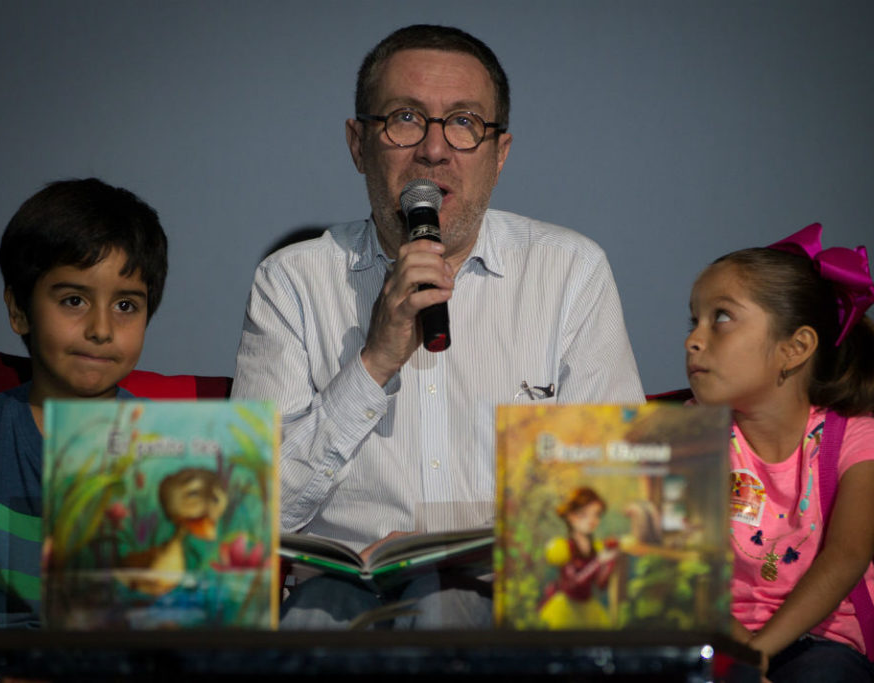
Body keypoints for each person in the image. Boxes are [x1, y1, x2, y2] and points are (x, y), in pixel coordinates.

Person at [232, 24, 643, 628]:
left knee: (446, 607)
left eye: (464, 123)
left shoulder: (570, 272)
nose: (433, 149)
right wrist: (373, 363)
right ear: (357, 144)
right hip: (342, 601)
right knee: (315, 621)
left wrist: (470, 560)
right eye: (405, 118)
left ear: (499, 154)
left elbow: (613, 500)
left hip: (503, 603)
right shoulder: (291, 281)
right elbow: (248, 520)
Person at [0, 178, 168, 675]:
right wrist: (11, 662)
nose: (101, 329)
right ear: (19, 309)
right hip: (4, 660)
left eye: (126, 305)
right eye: (73, 300)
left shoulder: (167, 445)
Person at [684, 223, 874, 682]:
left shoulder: (858, 438)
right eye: (694, 322)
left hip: (819, 642)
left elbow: (847, 555)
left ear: (796, 348)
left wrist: (757, 653)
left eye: (721, 317)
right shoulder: (690, 435)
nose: (693, 339)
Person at [538, 486, 619, 629]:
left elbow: (600, 584)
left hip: (589, 607)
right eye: (584, 514)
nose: (592, 520)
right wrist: (599, 561)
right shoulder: (563, 547)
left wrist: (609, 562)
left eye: (596, 514)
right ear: (571, 517)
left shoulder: (596, 547)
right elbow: (573, 584)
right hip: (566, 607)